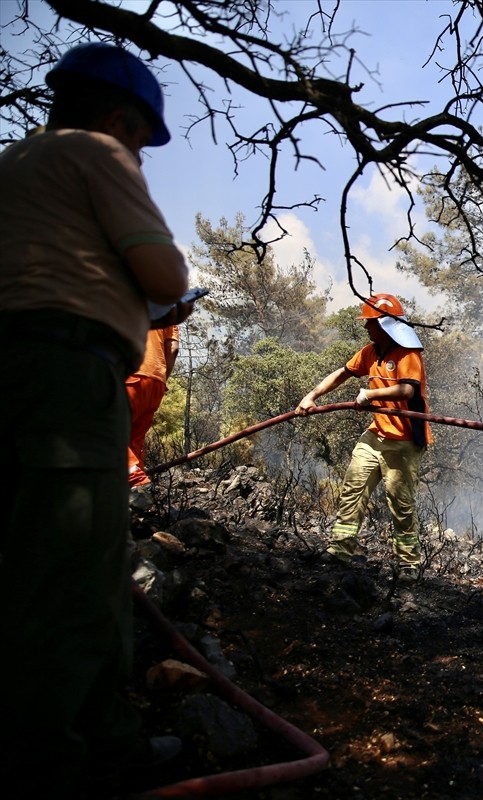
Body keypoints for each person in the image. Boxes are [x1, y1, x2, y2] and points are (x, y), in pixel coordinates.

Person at [0, 43, 195, 798]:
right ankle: (73, 757)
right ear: (121, 119)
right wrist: (160, 296)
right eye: (143, 141)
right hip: (66, 377)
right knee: (76, 575)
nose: (141, 156)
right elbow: (165, 275)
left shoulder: (18, 162)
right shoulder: (100, 155)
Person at [296, 293, 432, 572]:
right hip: (375, 435)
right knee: (353, 488)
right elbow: (341, 373)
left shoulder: (409, 354)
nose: (365, 327)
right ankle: (339, 550)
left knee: (401, 502)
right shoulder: (369, 352)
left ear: (384, 325)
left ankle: (408, 564)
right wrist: (312, 396)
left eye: (369, 323)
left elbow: (407, 390)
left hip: (404, 442)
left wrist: (370, 394)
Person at [127, 324, 180, 488]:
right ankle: (130, 500)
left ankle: (137, 482)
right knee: (132, 441)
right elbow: (173, 349)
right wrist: (161, 380)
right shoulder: (166, 301)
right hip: (156, 380)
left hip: (128, 375)